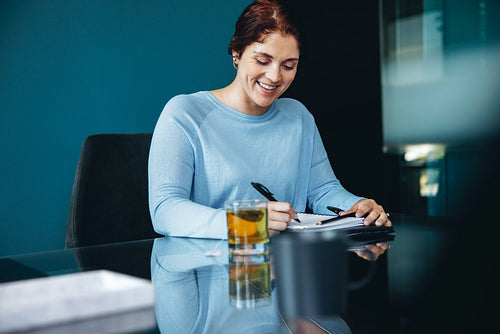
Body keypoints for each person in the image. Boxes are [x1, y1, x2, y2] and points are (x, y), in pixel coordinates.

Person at [148, 0, 391, 239]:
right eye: (262, 60)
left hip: (284, 267)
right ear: (236, 52)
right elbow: (165, 210)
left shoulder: (298, 117)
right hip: (208, 267)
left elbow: (323, 191)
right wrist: (248, 223)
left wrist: (359, 207)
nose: (274, 76)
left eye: (288, 65)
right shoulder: (185, 113)